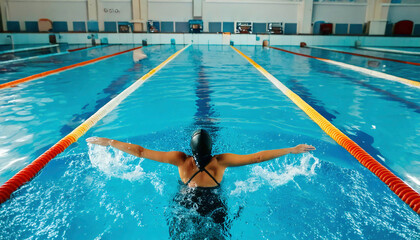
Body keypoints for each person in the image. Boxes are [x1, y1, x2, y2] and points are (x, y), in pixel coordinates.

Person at [86, 129, 315, 234]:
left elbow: (140, 151)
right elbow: (257, 157)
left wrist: (108, 141)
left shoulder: (181, 160)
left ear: (191, 148)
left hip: (187, 203)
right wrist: (291, 149)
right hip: (214, 204)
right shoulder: (220, 162)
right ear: (211, 148)